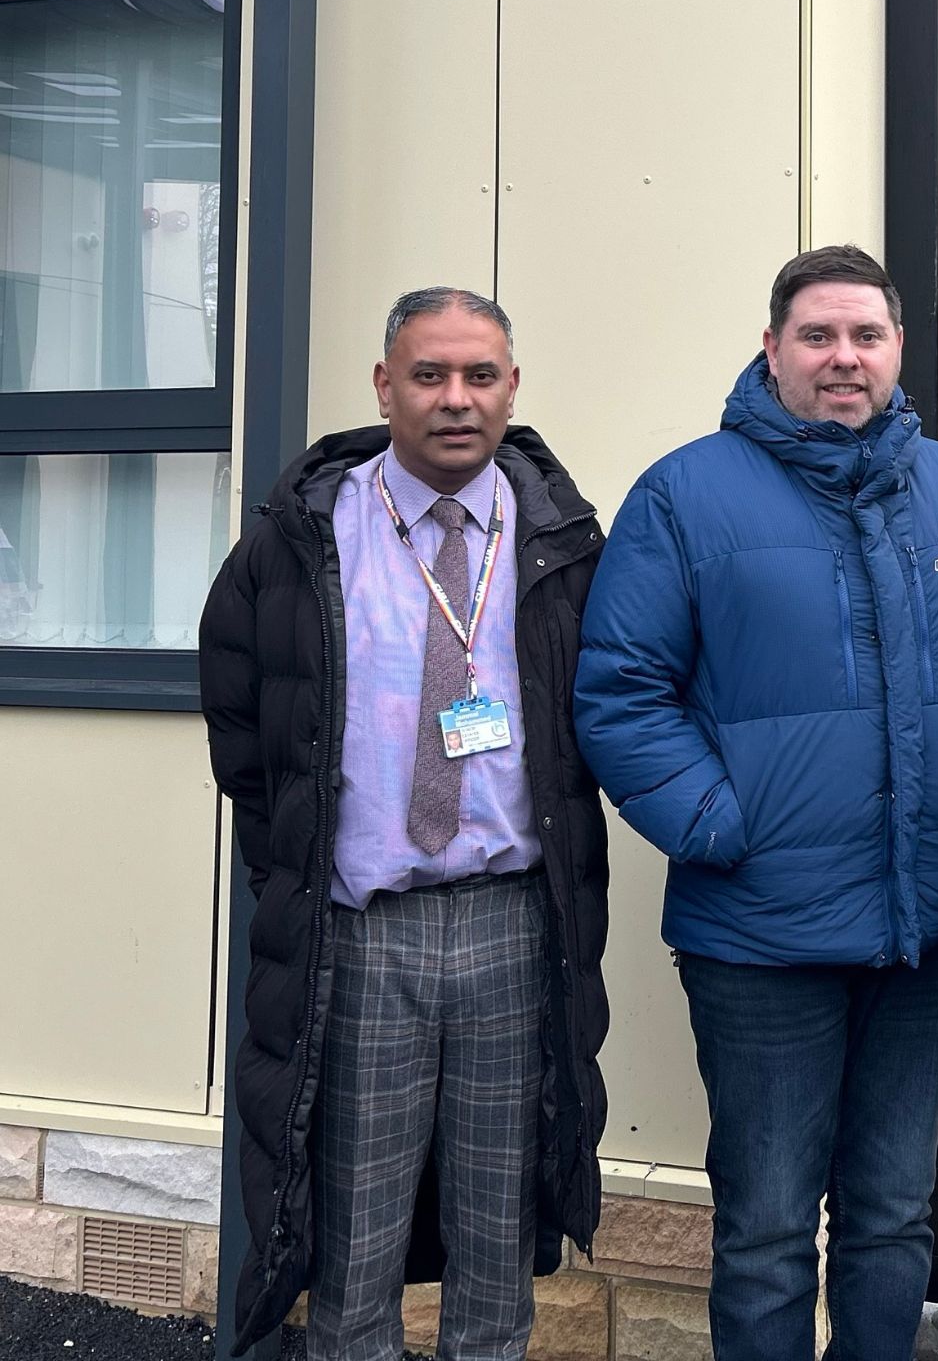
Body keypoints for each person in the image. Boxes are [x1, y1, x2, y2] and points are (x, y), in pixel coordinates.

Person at [572, 244, 938, 1361]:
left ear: (898, 350)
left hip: (918, 931)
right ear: (772, 346)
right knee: (770, 1226)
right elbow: (620, 690)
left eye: (864, 335)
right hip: (758, 936)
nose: (841, 357)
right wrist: (722, 827)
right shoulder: (685, 491)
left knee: (888, 1216)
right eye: (816, 335)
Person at [200, 287, 611, 1360]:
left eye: (480, 374)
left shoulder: (566, 542)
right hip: (363, 932)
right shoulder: (296, 542)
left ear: (512, 386)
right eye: (428, 375)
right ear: (384, 386)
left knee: (496, 1235)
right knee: (353, 1243)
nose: (455, 398)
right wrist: (293, 868)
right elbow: (246, 730)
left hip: (516, 929)